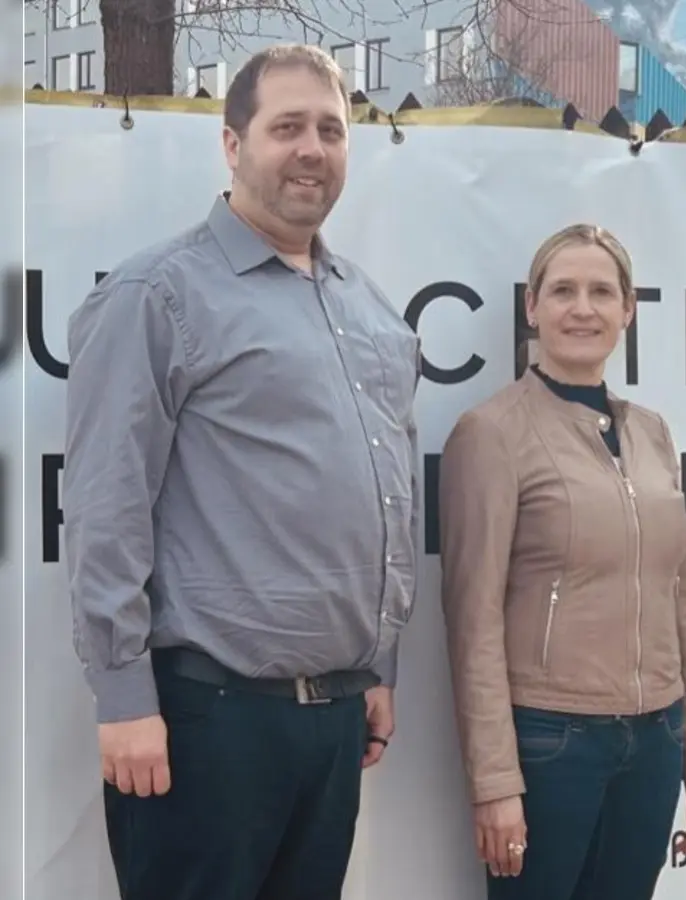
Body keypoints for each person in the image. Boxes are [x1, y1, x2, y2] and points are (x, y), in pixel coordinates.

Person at [63, 44, 419, 900]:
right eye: (286, 126)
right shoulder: (160, 294)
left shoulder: (372, 312)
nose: (312, 149)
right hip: (205, 725)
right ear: (232, 145)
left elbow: (390, 501)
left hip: (335, 721)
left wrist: (377, 669)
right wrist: (122, 697)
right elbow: (106, 505)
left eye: (330, 130)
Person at [438, 223, 686, 900]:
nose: (583, 308)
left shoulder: (652, 433)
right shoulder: (491, 433)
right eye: (563, 290)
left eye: (603, 292)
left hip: (655, 740)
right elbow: (472, 618)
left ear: (628, 311)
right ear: (532, 307)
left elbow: (682, 597)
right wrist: (494, 783)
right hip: (550, 745)